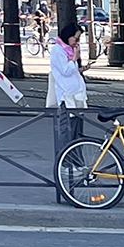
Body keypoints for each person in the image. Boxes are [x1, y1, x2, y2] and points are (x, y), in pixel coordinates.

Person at [48, 23, 88, 161]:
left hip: (76, 93)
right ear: (68, 36)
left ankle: (77, 161)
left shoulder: (69, 50)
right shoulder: (58, 50)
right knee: (67, 130)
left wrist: (80, 68)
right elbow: (65, 71)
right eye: (75, 38)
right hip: (66, 95)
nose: (76, 42)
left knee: (77, 130)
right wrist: (74, 59)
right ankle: (65, 162)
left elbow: (72, 71)